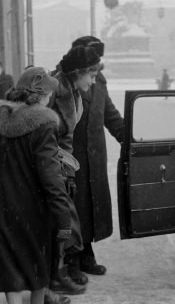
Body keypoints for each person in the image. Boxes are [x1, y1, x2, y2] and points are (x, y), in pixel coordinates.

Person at [0, 67, 72, 304]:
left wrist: (4, 177)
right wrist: (63, 219)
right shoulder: (43, 124)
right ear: (39, 94)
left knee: (10, 271)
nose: (50, 99)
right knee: (36, 269)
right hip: (33, 212)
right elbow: (51, 178)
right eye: (49, 93)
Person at [47, 45, 103, 294]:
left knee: (65, 223)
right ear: (78, 72)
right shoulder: (52, 91)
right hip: (45, 167)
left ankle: (60, 274)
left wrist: (67, 170)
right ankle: (53, 278)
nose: (94, 81)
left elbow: (65, 137)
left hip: (60, 167)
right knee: (56, 224)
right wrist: (56, 168)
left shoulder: (75, 93)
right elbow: (40, 134)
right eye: (91, 75)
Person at [67, 36, 124, 279]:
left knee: (89, 206)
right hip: (73, 156)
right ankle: (70, 262)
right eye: (93, 58)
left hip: (96, 157)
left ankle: (86, 255)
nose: (97, 63)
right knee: (72, 208)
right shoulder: (66, 83)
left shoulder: (99, 81)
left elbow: (110, 115)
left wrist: (130, 139)